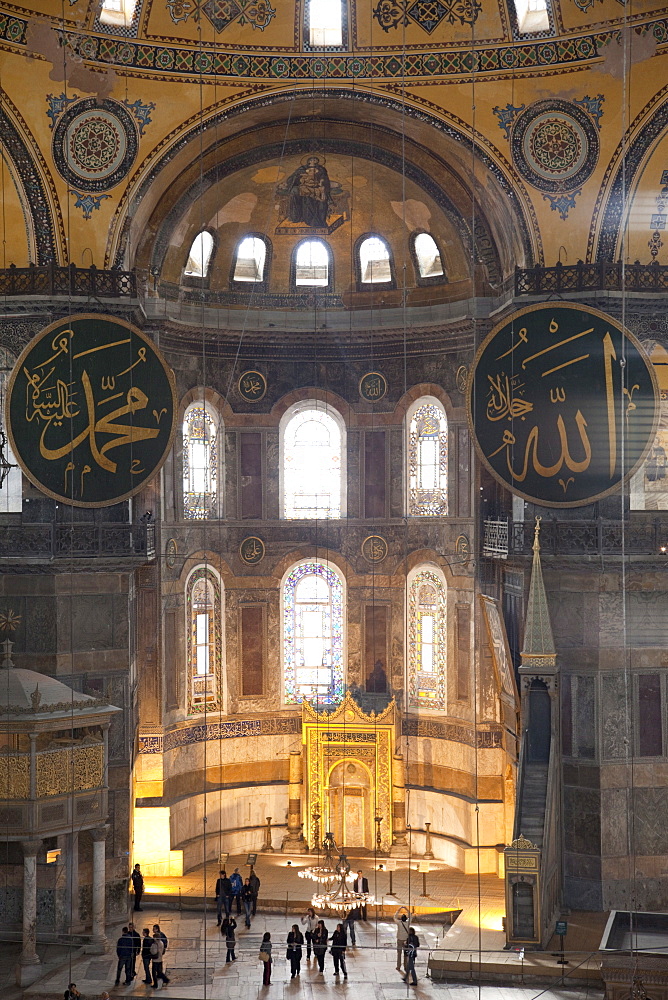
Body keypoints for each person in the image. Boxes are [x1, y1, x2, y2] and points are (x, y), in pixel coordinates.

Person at [282, 156, 331, 228]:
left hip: (316, 186)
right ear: (308, 161)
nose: (313, 161)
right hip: (304, 186)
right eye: (311, 159)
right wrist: (299, 178)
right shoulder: (301, 169)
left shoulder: (321, 169)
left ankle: (313, 219)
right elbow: (293, 178)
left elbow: (324, 178)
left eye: (315, 159)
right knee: (294, 191)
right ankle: (296, 216)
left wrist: (322, 181)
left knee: (317, 196)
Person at [394, 906, 409, 972]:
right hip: (406, 940)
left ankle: (398, 966)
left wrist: (399, 910)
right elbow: (411, 916)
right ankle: (405, 966)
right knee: (406, 954)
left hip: (400, 939)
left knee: (399, 953)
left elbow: (394, 917)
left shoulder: (399, 923)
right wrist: (406, 909)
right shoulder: (408, 923)